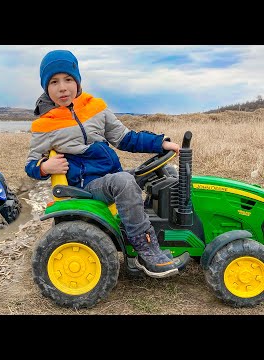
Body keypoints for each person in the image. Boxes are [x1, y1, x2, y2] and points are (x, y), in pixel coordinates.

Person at [25, 49, 181, 278]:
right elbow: (31, 164)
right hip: (85, 186)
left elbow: (126, 138)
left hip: (111, 177)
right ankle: (145, 249)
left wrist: (161, 144)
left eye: (68, 79)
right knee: (124, 181)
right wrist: (44, 167)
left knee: (164, 173)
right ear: (46, 87)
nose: (62, 87)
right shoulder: (44, 125)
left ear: (78, 81)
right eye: (54, 82)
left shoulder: (96, 108)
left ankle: (167, 228)